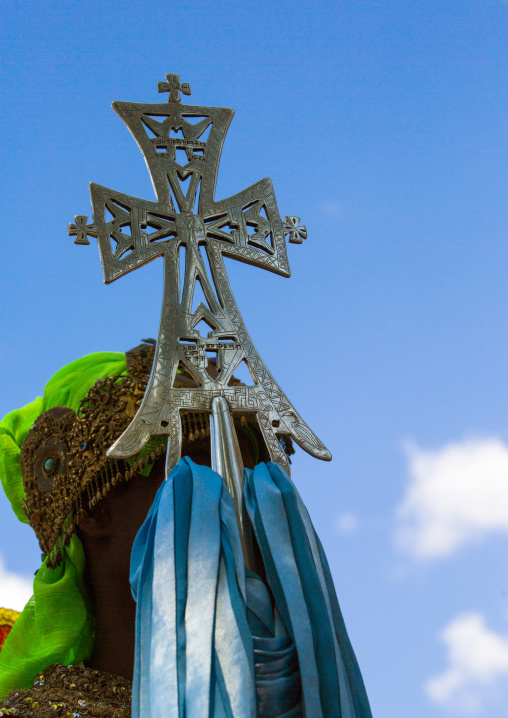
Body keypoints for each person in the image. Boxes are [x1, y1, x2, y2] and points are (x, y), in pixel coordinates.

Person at [0, 341, 372, 717]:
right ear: (94, 513)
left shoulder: (297, 698)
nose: (240, 508)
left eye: (251, 481)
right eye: (200, 476)